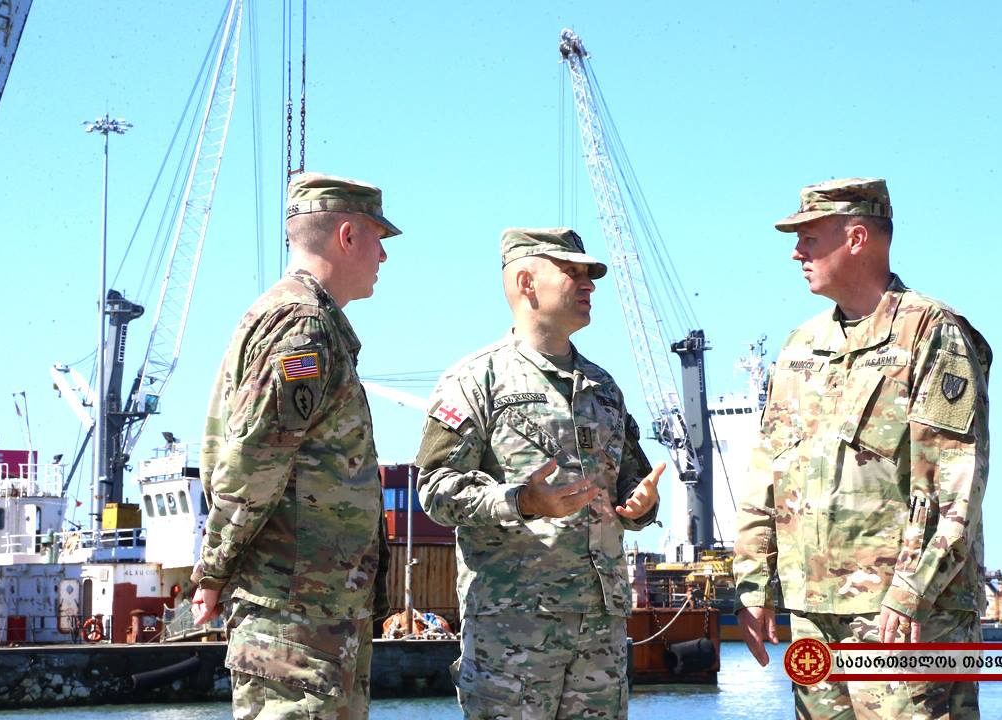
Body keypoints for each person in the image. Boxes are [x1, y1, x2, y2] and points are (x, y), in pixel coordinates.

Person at [733, 178, 991, 719]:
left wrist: (911, 590)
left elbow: (952, 483)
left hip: (904, 614)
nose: (796, 252)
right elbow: (766, 473)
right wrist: (754, 584)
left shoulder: (931, 332)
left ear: (856, 238)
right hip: (813, 612)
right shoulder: (801, 346)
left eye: (809, 236)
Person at [415, 227, 665, 719]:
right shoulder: (475, 379)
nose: (588, 284)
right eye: (572, 272)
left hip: (600, 629)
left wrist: (642, 505)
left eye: (591, 275)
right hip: (512, 628)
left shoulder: (604, 387)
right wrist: (521, 501)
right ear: (526, 282)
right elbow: (435, 488)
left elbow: (631, 485)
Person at [189, 172, 401, 719]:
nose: (383, 255)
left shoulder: (309, 321)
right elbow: (254, 462)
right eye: (378, 238)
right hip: (296, 613)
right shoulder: (303, 328)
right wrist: (213, 569)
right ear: (347, 235)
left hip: (315, 609)